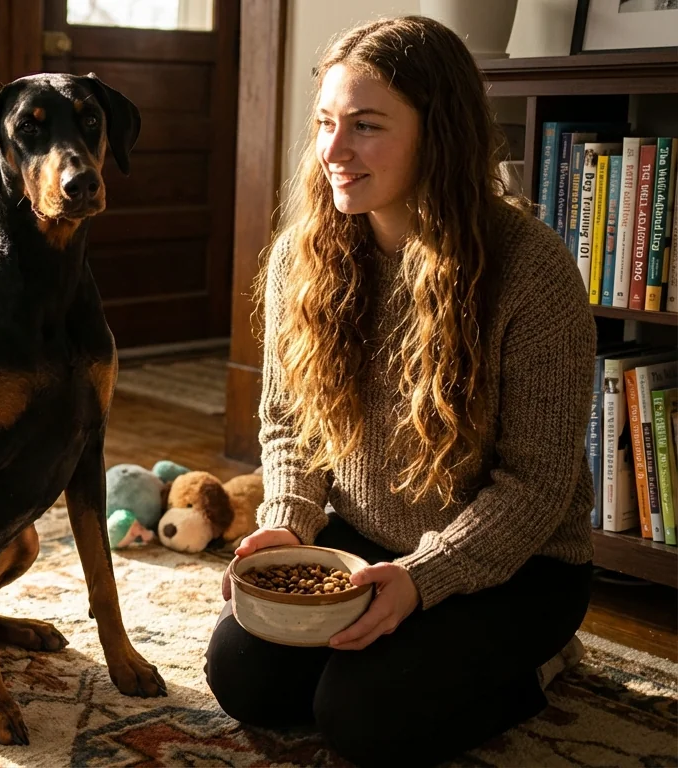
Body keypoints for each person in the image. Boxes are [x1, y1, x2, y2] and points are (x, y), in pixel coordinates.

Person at [204, 15, 596, 768]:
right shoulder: (301, 257)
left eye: (367, 126)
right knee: (244, 678)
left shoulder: (532, 270)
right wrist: (288, 522)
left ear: (437, 133)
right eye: (325, 123)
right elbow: (289, 422)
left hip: (522, 565)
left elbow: (537, 485)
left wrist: (423, 581)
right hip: (364, 543)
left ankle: (538, 665)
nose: (334, 152)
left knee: (363, 723)